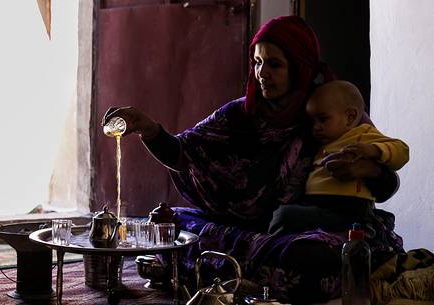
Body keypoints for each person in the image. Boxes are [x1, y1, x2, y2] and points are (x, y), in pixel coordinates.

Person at [102, 16, 404, 304]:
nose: (262, 73)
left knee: (322, 255)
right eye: (257, 62)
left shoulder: (329, 109)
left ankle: (232, 271)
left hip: (308, 229)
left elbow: (388, 182)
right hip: (244, 228)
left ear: (299, 67)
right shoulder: (239, 114)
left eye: (274, 64)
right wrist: (149, 129)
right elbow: (185, 152)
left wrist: (364, 167)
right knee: (168, 224)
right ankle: (251, 273)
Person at [268, 80, 409, 235]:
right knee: (285, 216)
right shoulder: (320, 142)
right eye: (312, 121)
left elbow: (402, 151)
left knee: (284, 216)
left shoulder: (362, 135)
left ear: (350, 117)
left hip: (346, 210)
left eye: (322, 119)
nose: (315, 127)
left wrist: (373, 150)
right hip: (316, 207)